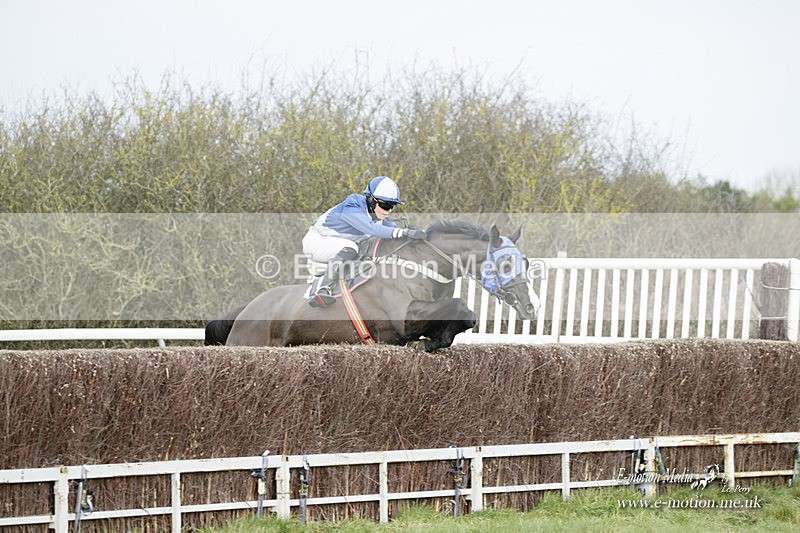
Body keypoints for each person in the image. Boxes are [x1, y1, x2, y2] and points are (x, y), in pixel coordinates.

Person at [302, 176, 427, 308]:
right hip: (316, 242)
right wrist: (403, 232)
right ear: (371, 199)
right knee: (351, 247)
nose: (389, 211)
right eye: (385, 205)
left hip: (336, 245)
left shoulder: (377, 214)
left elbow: (393, 230)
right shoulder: (352, 206)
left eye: (392, 206)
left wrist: (417, 235)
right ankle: (323, 288)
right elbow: (371, 229)